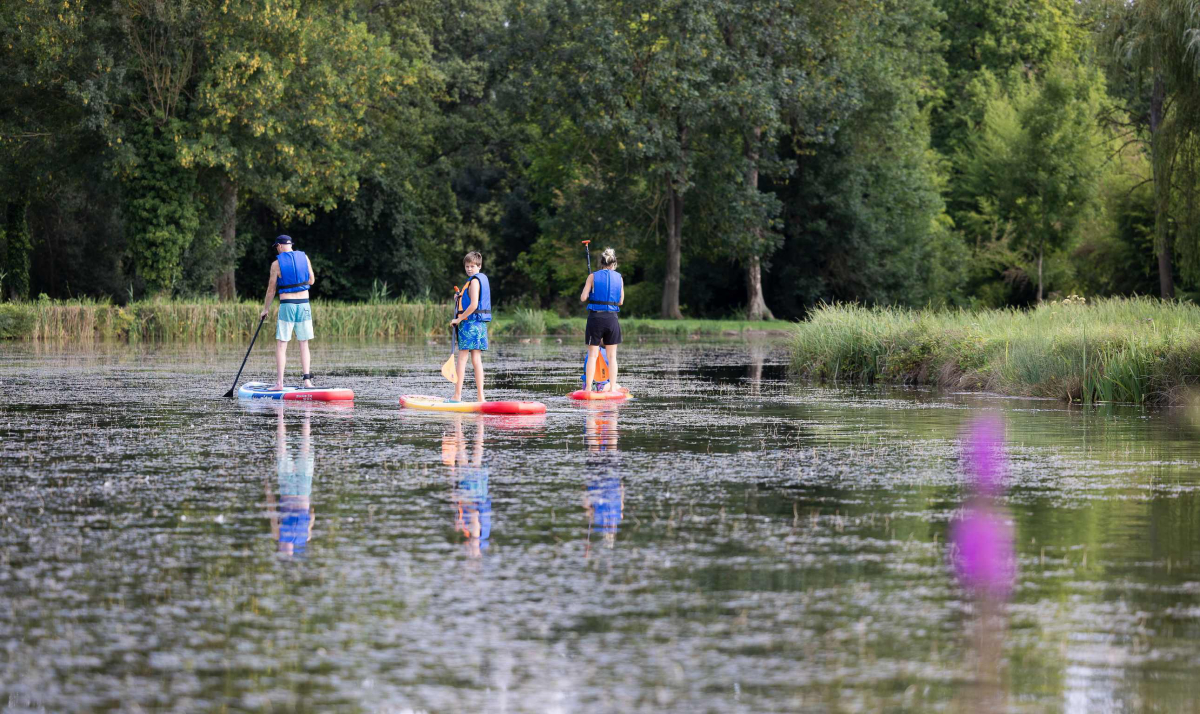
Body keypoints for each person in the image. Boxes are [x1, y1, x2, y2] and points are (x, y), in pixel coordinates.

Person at [259, 235, 316, 391]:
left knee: (282, 344)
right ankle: (307, 382)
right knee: (304, 343)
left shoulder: (276, 264)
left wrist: (265, 309)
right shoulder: (304, 257)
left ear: (280, 246)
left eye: (277, 247)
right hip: (304, 305)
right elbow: (311, 281)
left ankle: (279, 383)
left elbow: (271, 290)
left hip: (287, 306)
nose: (277, 250)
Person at [579, 247, 623, 392]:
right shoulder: (619, 277)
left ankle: (588, 390)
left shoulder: (592, 276)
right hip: (612, 319)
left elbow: (583, 298)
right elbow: (621, 301)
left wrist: (591, 289)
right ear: (613, 263)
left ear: (601, 262)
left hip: (596, 318)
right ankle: (612, 389)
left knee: (592, 355)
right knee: (612, 357)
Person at [449, 251, 491, 403]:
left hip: (469, 324)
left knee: (462, 359)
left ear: (479, 266)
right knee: (476, 359)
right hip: (479, 325)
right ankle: (481, 398)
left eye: (472, 266)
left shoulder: (473, 282)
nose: (469, 269)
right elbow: (472, 300)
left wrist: (458, 319)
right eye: (467, 266)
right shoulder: (479, 280)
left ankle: (457, 396)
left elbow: (473, 305)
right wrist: (459, 296)